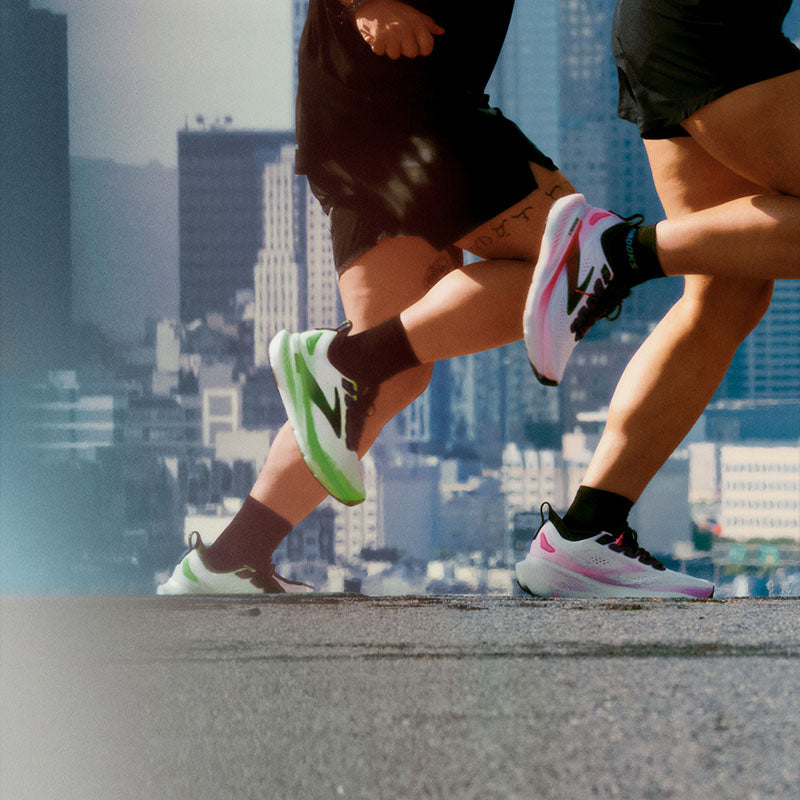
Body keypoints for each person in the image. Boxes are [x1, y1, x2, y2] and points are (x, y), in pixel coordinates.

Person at [158, 0, 710, 598]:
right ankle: (345, 361)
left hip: (371, 115)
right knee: (585, 260)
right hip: (406, 108)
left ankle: (228, 560)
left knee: (391, 374)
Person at [515, 0, 799, 598]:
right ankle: (617, 252)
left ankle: (586, 531)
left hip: (672, 24)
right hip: (707, 22)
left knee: (725, 295)